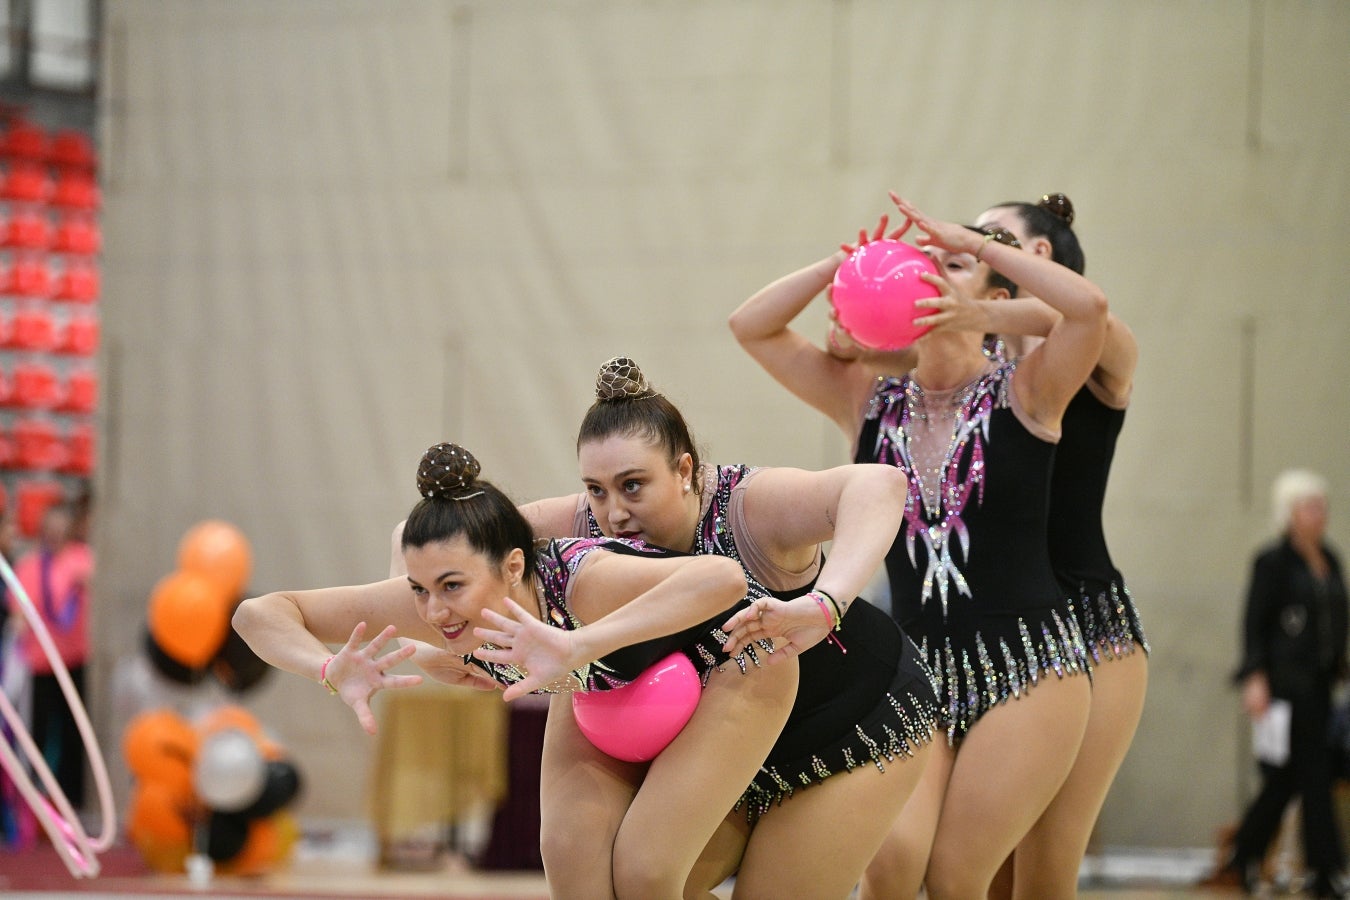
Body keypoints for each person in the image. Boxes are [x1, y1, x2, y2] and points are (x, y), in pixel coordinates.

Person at [728, 195, 1109, 897]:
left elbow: (1089, 312)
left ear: (995, 297)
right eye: (920, 262)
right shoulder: (868, 398)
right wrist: (840, 269)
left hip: (1031, 666)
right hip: (919, 670)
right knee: (892, 866)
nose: (928, 273)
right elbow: (751, 327)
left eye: (953, 267)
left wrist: (984, 250)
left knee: (955, 874)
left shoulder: (1029, 389)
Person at [236, 441, 800, 900]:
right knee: (571, 867)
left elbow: (724, 580)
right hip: (612, 688)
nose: (434, 611)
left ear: (513, 567)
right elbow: (257, 614)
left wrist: (581, 645)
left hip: (740, 660)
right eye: (418, 590)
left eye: (452, 586)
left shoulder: (583, 581)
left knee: (645, 873)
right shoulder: (433, 608)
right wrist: (328, 666)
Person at [513, 356, 940, 898]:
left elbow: (880, 484)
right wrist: (418, 645)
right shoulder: (579, 524)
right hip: (735, 741)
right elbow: (439, 539)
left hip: (851, 721)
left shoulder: (747, 507)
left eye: (633, 485)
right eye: (596, 489)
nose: (613, 512)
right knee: (636, 883)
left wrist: (828, 602)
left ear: (685, 470)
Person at [1209, 469, 1347, 898]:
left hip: (1322, 685)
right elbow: (1255, 624)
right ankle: (1324, 871)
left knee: (1289, 776)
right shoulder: (1272, 562)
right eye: (1309, 506)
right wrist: (1255, 678)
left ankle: (1242, 857)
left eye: (1322, 505)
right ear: (1289, 513)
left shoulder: (1330, 559)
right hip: (1287, 686)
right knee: (1313, 775)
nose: (1319, 513)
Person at [9, 502, 93, 812]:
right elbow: (18, 608)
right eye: (51, 528)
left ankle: (74, 799)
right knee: (38, 731)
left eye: (62, 528)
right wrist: (17, 622)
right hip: (40, 663)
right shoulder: (31, 565)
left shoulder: (82, 559)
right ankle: (28, 801)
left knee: (75, 731)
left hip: (76, 659)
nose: (56, 534)